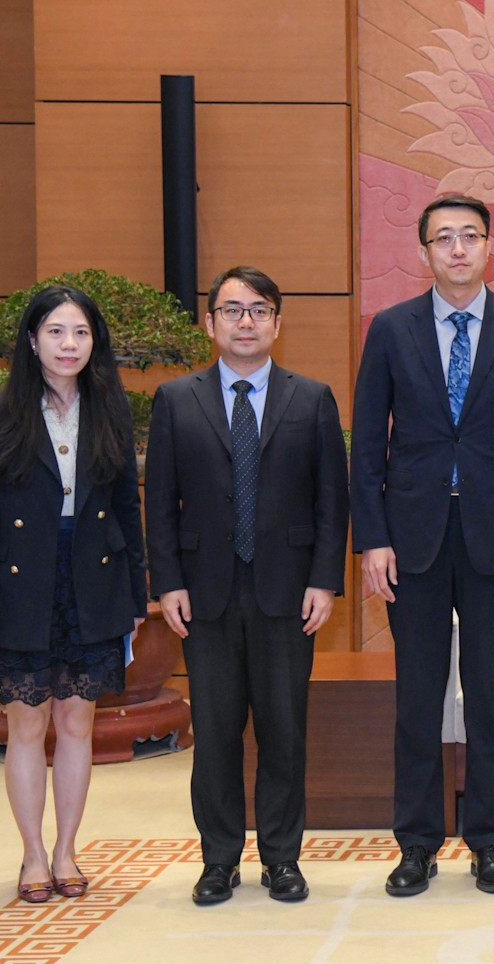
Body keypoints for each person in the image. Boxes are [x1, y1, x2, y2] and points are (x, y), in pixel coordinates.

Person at [351, 194, 494, 897]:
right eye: (443, 239)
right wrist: (372, 539)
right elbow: (367, 447)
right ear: (424, 253)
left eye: (471, 236)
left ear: (489, 246)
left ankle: (490, 841)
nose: (459, 249)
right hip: (411, 536)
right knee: (417, 697)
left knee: (489, 695)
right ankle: (416, 844)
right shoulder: (391, 329)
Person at [147, 266, 349, 905]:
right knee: (214, 732)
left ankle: (282, 859)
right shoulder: (176, 400)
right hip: (203, 591)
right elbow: (159, 502)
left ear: (277, 324)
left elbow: (330, 502)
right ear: (210, 323)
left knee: (285, 730)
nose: (245, 322)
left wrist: (324, 580)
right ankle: (219, 861)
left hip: (288, 592)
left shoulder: (311, 398)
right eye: (232, 310)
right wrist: (167, 583)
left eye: (259, 310)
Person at [0, 286, 147, 904]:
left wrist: (136, 599)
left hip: (94, 578)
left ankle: (68, 851)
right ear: (32, 340)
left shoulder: (110, 410)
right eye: (56, 332)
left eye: (81, 333)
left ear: (94, 343)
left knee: (77, 721)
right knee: (26, 723)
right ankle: (33, 855)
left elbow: (129, 510)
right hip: (23, 583)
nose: (69, 345)